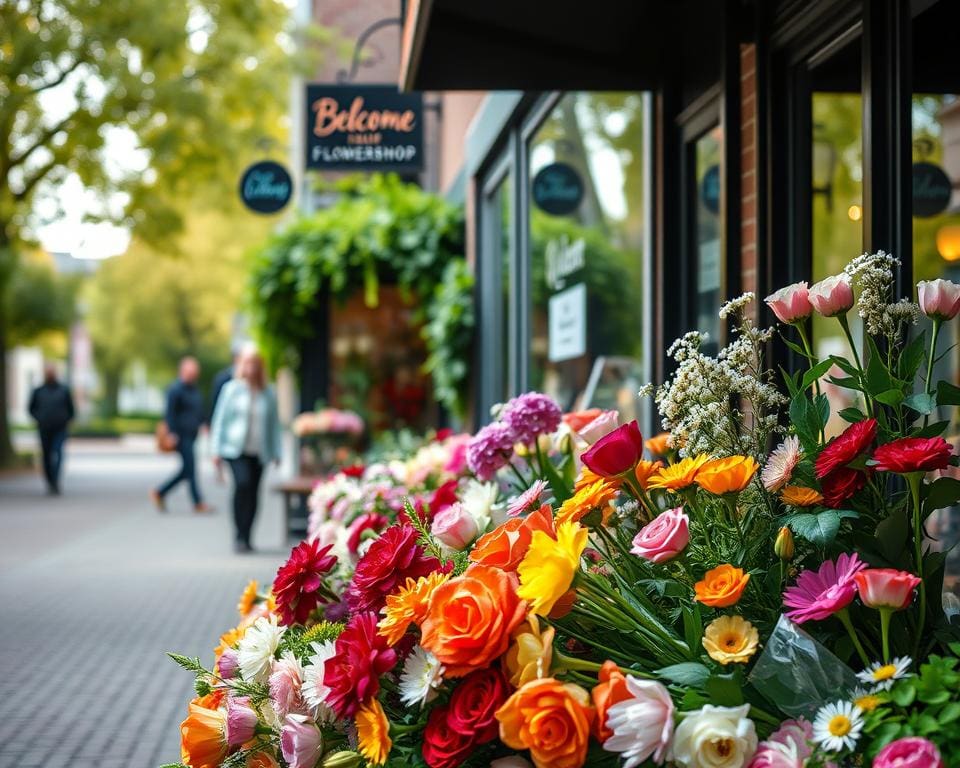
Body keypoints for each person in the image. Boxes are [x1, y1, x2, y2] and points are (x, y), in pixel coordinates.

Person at [210, 347, 282, 553]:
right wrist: (215, 451)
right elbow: (220, 421)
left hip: (260, 451)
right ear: (242, 365)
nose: (251, 368)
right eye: (247, 363)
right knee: (242, 484)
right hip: (235, 449)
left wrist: (277, 452)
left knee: (254, 493)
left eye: (254, 364)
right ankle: (239, 534)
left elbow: (274, 425)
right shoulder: (231, 389)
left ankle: (248, 536)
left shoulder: (268, 392)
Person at [151, 357, 211, 512]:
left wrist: (205, 423)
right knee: (190, 469)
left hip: (192, 434)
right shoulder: (175, 389)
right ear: (183, 371)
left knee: (187, 470)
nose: (193, 375)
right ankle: (197, 502)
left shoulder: (194, 389)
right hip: (180, 435)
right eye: (191, 372)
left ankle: (160, 492)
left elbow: (199, 410)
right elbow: (169, 414)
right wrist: (171, 433)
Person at [28, 363, 74, 495]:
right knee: (46, 455)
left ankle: (55, 479)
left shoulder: (64, 390)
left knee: (58, 453)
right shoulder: (38, 391)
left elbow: (71, 410)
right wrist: (39, 418)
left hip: (60, 428)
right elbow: (31, 408)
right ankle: (50, 481)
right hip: (44, 428)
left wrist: (65, 419)